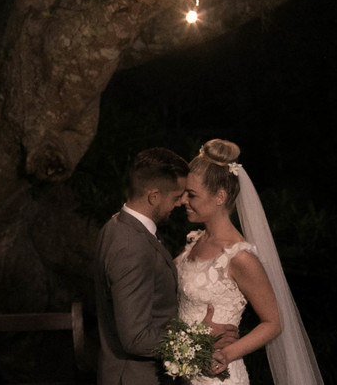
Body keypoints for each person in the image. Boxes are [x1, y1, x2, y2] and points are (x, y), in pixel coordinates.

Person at [176, 139, 324, 384]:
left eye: (191, 194)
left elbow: (274, 323)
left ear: (220, 197)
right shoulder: (196, 240)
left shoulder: (240, 257)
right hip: (182, 372)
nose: (183, 200)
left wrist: (226, 353)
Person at [94, 147, 234, 384]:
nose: (181, 202)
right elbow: (135, 338)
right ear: (154, 196)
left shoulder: (116, 225)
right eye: (176, 196)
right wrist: (198, 338)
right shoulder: (131, 246)